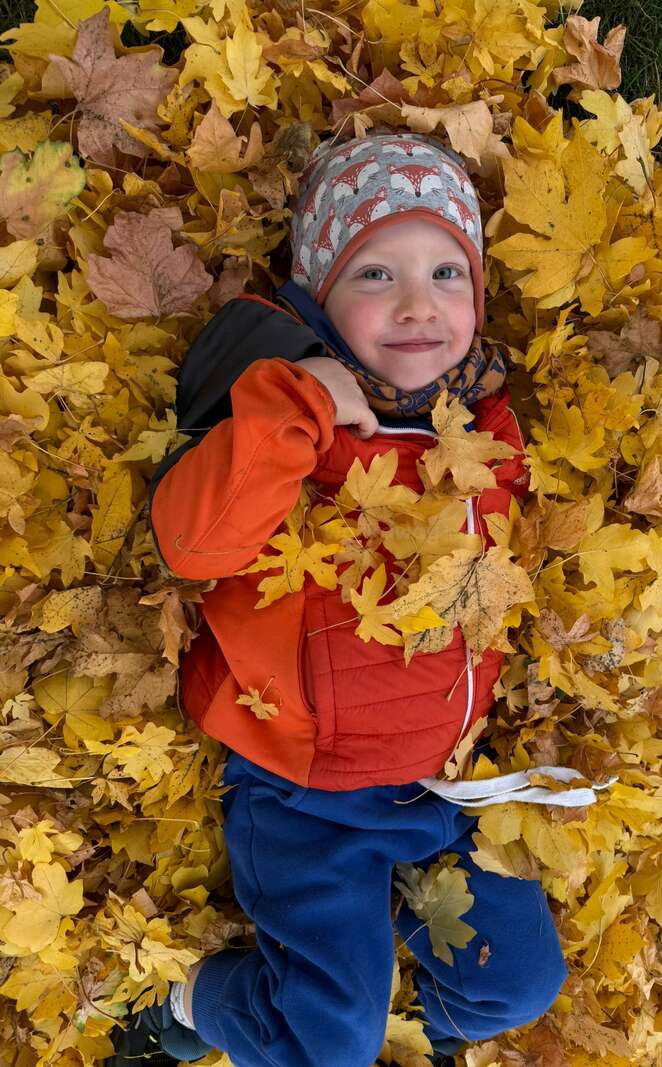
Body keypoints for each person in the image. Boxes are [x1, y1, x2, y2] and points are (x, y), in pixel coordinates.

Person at [109, 131, 604, 1067]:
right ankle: (195, 1002)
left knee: (519, 982)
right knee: (324, 1044)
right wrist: (298, 406)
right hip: (302, 797)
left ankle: (410, 1024)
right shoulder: (289, 411)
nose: (419, 304)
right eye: (376, 272)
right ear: (317, 297)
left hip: (437, 785)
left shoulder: (489, 432)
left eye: (447, 274)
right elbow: (192, 541)